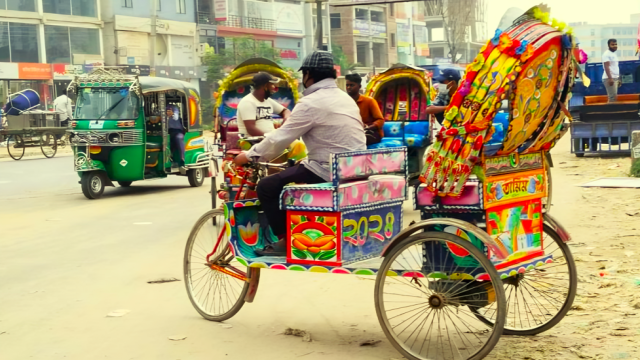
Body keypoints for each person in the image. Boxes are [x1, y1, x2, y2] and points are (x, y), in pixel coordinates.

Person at [234, 51, 366, 256]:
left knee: (267, 186)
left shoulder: (311, 102)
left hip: (329, 169)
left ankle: (285, 241)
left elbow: (279, 139)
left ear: (309, 75)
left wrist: (249, 156)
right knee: (293, 171)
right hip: (354, 167)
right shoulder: (344, 97)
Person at [236, 72, 291, 136]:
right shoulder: (247, 102)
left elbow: (286, 111)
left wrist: (285, 120)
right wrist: (272, 139)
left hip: (269, 140)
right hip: (252, 142)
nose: (273, 87)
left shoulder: (267, 100)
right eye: (272, 85)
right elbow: (251, 129)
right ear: (265, 86)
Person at [345, 73, 385, 145]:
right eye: (347, 85)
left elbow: (380, 120)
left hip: (370, 133)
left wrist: (367, 127)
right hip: (352, 133)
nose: (348, 87)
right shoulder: (344, 102)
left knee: (358, 139)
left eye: (352, 85)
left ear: (359, 86)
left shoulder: (369, 101)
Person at [167, 105, 187, 174]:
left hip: (178, 131)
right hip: (169, 132)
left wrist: (172, 114)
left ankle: (182, 160)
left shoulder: (174, 108)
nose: (168, 112)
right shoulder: (163, 108)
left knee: (179, 138)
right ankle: (170, 159)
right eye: (167, 111)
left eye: (169, 111)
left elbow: (176, 117)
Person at [602, 39, 620, 103]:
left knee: (614, 97)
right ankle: (610, 112)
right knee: (612, 98)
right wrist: (610, 78)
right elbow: (606, 67)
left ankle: (611, 111)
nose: (614, 46)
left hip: (614, 78)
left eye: (615, 44)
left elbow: (615, 67)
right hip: (609, 78)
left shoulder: (613, 54)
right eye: (612, 44)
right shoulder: (606, 54)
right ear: (608, 45)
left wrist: (618, 78)